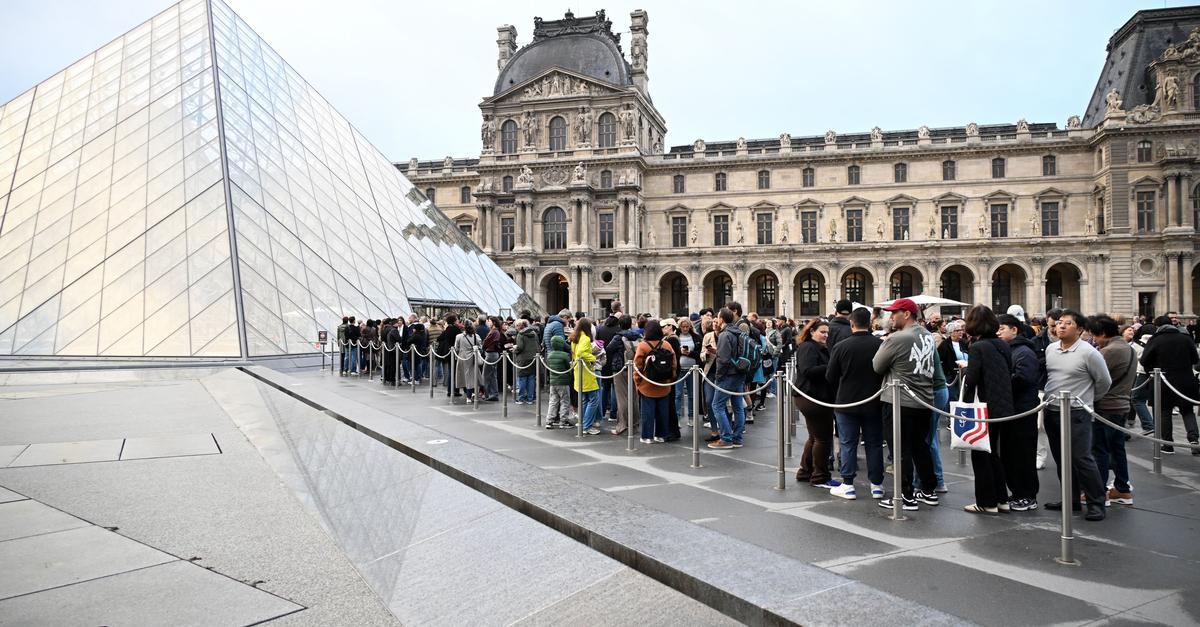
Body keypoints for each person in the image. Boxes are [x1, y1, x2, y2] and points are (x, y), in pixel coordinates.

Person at [1043, 309, 1111, 522]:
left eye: (1068, 323)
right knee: (1061, 459)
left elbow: (1104, 382)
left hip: (1077, 412)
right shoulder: (1051, 349)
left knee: (1082, 458)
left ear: (1080, 329)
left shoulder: (1089, 353)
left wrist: (1086, 400)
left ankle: (1096, 503)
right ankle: (1070, 500)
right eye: (1060, 322)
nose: (1061, 326)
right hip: (1052, 409)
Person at [873, 298, 939, 511]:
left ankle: (905, 495)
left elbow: (877, 366)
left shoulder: (898, 338)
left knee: (899, 449)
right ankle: (929, 490)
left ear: (907, 314)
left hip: (899, 400)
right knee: (921, 446)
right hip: (924, 400)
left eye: (894, 313)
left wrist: (887, 342)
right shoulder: (927, 335)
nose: (891, 317)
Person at [826, 308, 885, 500]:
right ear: (870, 323)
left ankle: (848, 484)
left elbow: (831, 376)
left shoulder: (841, 346)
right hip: (874, 400)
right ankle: (876, 485)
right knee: (874, 443)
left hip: (847, 401)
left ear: (852, 323)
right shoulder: (880, 344)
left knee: (848, 443)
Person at [960, 306, 1014, 515]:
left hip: (984, 406)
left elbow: (972, 379)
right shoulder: (1002, 344)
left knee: (981, 453)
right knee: (994, 455)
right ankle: (1002, 499)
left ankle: (986, 502)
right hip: (1003, 406)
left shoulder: (978, 347)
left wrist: (964, 407)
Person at [1089, 315, 1137, 505]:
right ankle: (1122, 489)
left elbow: (1091, 376)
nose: (1094, 340)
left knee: (1099, 450)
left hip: (1106, 406)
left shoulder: (1109, 351)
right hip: (1122, 404)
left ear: (1102, 333)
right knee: (1117, 449)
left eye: (1095, 336)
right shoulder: (1127, 347)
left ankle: (1099, 492)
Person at [998, 313, 1041, 511]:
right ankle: (1018, 492)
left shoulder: (1024, 352)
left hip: (1022, 410)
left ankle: (1027, 495)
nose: (998, 333)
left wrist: (1001, 380)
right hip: (1012, 409)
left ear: (1014, 330)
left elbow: (1024, 378)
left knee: (1023, 454)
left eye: (1002, 329)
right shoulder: (1011, 349)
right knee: (1010, 453)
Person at [1140, 316, 1200, 454]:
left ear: (1157, 326)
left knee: (1164, 411)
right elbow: (1195, 359)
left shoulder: (1155, 340)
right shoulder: (1185, 338)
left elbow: (1144, 360)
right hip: (1185, 379)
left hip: (1163, 380)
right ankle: (1194, 440)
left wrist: (1153, 368)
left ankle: (1168, 444)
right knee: (1187, 411)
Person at [792, 319, 839, 488]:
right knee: (823, 438)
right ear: (812, 332)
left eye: (827, 332)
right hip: (812, 396)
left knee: (815, 436)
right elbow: (808, 370)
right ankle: (820, 476)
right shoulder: (808, 347)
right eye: (822, 332)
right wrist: (832, 366)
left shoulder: (819, 347)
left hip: (815, 396)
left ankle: (805, 471)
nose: (826, 335)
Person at [708, 308, 747, 450]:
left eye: (717, 317)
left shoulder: (725, 335)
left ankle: (726, 438)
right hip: (739, 372)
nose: (716, 320)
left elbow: (724, 360)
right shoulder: (738, 332)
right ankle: (737, 438)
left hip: (728, 374)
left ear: (722, 319)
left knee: (716, 405)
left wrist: (719, 377)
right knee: (738, 406)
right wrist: (718, 352)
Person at [635, 319, 677, 443]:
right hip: (664, 383)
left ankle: (647, 436)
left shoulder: (642, 346)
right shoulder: (666, 345)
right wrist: (671, 378)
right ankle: (661, 435)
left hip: (647, 384)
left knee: (648, 412)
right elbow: (674, 363)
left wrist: (637, 382)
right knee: (663, 411)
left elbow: (638, 365)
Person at [571, 317, 602, 435]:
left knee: (584, 399)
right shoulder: (584, 338)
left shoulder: (575, 337)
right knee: (594, 399)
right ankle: (587, 425)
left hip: (579, 370)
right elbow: (581, 353)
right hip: (586, 371)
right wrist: (593, 358)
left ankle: (583, 422)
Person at [607, 315, 638, 435]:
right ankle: (634, 424)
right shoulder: (637, 335)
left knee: (622, 398)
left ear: (619, 324)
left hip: (620, 368)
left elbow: (609, 349)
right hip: (635, 368)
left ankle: (623, 425)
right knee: (634, 396)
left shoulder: (618, 337)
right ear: (630, 324)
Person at [597, 302, 623, 421]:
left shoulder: (600, 328)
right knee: (614, 388)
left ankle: (602, 412)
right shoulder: (619, 330)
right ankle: (613, 414)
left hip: (604, 360)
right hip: (616, 361)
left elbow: (597, 344)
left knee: (604, 387)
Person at [1127, 324, 1155, 434]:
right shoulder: (1156, 341)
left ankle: (1148, 425)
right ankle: (1131, 419)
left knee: (1136, 399)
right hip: (1156, 373)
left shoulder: (1135, 345)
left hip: (1140, 373)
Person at [676, 317, 702, 427]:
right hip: (680, 369)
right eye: (683, 327)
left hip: (693, 369)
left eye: (687, 327)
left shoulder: (696, 337)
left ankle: (691, 417)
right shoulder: (675, 337)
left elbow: (699, 353)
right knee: (678, 394)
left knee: (692, 395)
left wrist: (689, 353)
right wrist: (680, 351)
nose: (685, 329)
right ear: (679, 327)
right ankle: (676, 418)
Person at [545, 335, 575, 428]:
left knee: (553, 401)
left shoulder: (549, 355)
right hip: (563, 382)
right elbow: (568, 368)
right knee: (565, 401)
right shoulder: (564, 355)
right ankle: (563, 421)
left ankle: (549, 421)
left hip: (553, 382)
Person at [661, 318, 683, 441]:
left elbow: (672, 359)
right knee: (669, 403)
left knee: (670, 403)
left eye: (664, 326)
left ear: (670, 326)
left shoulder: (672, 339)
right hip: (672, 374)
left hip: (671, 375)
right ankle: (672, 430)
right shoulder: (671, 339)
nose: (663, 329)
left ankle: (673, 431)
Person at [512, 319, 539, 404]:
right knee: (531, 378)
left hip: (523, 359)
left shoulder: (520, 334)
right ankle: (530, 398)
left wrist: (514, 349)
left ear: (519, 326)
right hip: (533, 358)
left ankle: (521, 398)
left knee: (522, 378)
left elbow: (520, 347)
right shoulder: (534, 333)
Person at [937, 320, 968, 395]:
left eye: (961, 330)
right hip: (952, 376)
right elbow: (940, 361)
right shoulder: (944, 345)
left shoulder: (964, 342)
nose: (961, 332)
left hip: (965, 375)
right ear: (951, 332)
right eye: (957, 330)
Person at [453, 320, 481, 401]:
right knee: (473, 376)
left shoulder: (459, 336)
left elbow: (456, 348)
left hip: (463, 358)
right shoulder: (476, 336)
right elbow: (480, 346)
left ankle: (469, 396)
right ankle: (473, 393)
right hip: (473, 358)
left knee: (466, 378)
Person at [437, 314, 460, 395]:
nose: (458, 321)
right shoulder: (456, 329)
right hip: (454, 352)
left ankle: (450, 390)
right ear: (454, 321)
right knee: (454, 372)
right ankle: (453, 390)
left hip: (448, 352)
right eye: (457, 320)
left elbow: (439, 338)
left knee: (451, 371)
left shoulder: (447, 329)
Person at [482, 317, 503, 401]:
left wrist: (484, 346)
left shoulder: (494, 332)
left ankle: (488, 393)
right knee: (492, 375)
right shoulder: (495, 331)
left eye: (489, 321)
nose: (488, 322)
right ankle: (493, 393)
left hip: (491, 354)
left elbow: (486, 342)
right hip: (492, 354)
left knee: (486, 375)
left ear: (493, 322)